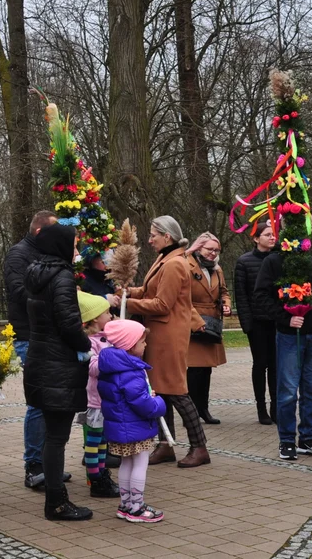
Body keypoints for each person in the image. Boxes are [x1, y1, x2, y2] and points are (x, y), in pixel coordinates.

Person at [123, 216, 210, 468]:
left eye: (153, 235)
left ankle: (199, 447)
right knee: (160, 390)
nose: (149, 240)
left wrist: (126, 303)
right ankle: (165, 446)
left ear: (167, 237)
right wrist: (127, 292)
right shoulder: (166, 259)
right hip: (160, 335)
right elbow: (150, 291)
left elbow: (162, 304)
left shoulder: (174, 264)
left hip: (169, 337)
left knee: (177, 391)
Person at [24, 223, 93, 521]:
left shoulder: (37, 274)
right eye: (74, 245)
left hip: (41, 361)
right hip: (59, 366)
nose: (76, 251)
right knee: (57, 437)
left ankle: (55, 497)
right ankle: (56, 502)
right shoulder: (62, 276)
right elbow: (68, 323)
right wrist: (86, 343)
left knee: (53, 435)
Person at [4, 210, 71, 490]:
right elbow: (18, 292)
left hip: (46, 334)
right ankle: (34, 465)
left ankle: (49, 464)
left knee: (50, 402)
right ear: (40, 232)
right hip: (29, 334)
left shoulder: (44, 255)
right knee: (38, 402)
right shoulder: (19, 255)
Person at [254, 243, 312, 461]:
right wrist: (285, 317)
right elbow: (260, 295)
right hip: (289, 335)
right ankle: (287, 439)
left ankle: (307, 437)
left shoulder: (310, 260)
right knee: (288, 390)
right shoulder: (273, 261)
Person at [98, 319, 168, 523]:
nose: (145, 345)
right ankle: (137, 507)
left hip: (121, 427)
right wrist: (158, 402)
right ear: (130, 345)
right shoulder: (132, 372)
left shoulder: (112, 368)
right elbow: (142, 404)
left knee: (126, 463)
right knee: (140, 463)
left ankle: (125, 504)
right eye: (142, 341)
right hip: (135, 427)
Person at [185, 233, 231, 425]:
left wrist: (226, 304)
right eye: (209, 249)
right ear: (199, 248)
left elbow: (224, 292)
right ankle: (191, 411)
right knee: (195, 370)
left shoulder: (217, 269)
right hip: (193, 323)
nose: (213, 253)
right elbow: (182, 299)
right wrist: (197, 322)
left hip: (212, 323)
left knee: (206, 371)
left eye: (216, 250)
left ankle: (203, 408)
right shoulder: (186, 266)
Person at [235, 222, 278, 425]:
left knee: (276, 366)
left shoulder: (279, 259)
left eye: (273, 234)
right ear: (256, 238)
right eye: (267, 234)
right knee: (260, 365)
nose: (272, 237)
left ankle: (276, 407)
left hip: (278, 321)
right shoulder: (244, 262)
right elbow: (241, 296)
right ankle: (261, 408)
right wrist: (247, 324)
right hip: (257, 323)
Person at [78, 291, 119, 498]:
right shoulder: (90, 342)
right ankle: (95, 480)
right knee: (93, 442)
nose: (111, 316)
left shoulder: (105, 338)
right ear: (95, 318)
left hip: (106, 398)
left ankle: (102, 474)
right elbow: (93, 368)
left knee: (103, 441)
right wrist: (113, 361)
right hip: (95, 400)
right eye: (107, 313)